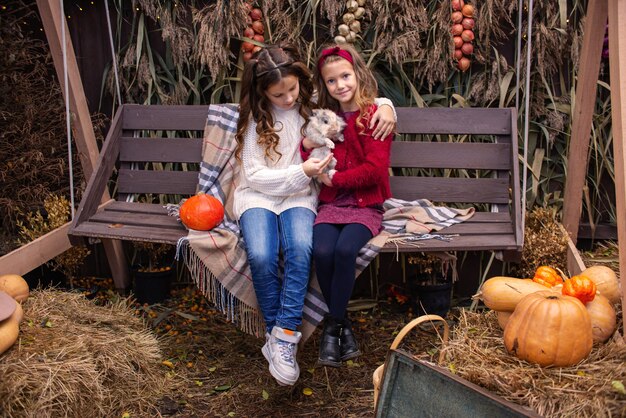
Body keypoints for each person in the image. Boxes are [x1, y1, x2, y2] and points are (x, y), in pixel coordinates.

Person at [233, 44, 395, 385]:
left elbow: (352, 92)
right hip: (258, 196)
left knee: (301, 250)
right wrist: (304, 171)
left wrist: (387, 105)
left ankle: (287, 334)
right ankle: (277, 337)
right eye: (279, 94)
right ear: (262, 92)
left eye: (293, 89)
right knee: (262, 255)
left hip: (300, 197)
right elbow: (253, 175)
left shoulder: (312, 105)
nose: (289, 98)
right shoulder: (254, 119)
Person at [303, 44, 394, 368]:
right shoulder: (326, 119)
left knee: (344, 252)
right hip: (330, 204)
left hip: (365, 205)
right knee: (323, 251)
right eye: (331, 81)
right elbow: (309, 153)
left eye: (345, 76)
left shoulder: (375, 116)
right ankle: (343, 326)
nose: (340, 85)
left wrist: (336, 179)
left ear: (357, 74)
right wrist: (309, 148)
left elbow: (375, 171)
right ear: (324, 86)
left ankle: (331, 328)